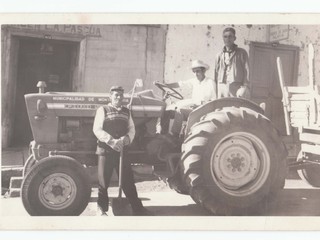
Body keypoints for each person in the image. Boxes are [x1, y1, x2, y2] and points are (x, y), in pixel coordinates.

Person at [93, 86, 152, 216]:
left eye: (121, 95)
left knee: (128, 181)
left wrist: (126, 138)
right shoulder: (103, 110)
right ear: (110, 97)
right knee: (104, 181)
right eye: (116, 95)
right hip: (106, 151)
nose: (119, 97)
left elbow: (132, 129)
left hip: (122, 151)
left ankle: (138, 209)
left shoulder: (126, 112)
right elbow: (97, 129)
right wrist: (111, 141)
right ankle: (101, 209)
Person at [163, 60, 216, 137]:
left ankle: (174, 136)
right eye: (194, 72)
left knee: (180, 111)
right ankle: (164, 134)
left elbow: (214, 101)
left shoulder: (210, 82)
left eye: (198, 71)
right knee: (170, 110)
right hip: (194, 109)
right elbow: (180, 84)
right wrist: (166, 85)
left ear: (203, 71)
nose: (195, 74)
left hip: (204, 111)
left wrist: (199, 106)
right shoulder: (194, 81)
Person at [214, 27, 250, 99]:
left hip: (236, 85)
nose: (228, 39)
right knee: (222, 107)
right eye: (225, 37)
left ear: (234, 38)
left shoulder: (242, 52)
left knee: (236, 107)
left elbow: (247, 70)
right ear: (223, 38)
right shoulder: (219, 55)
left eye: (230, 36)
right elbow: (216, 72)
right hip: (222, 86)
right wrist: (216, 87)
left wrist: (245, 86)